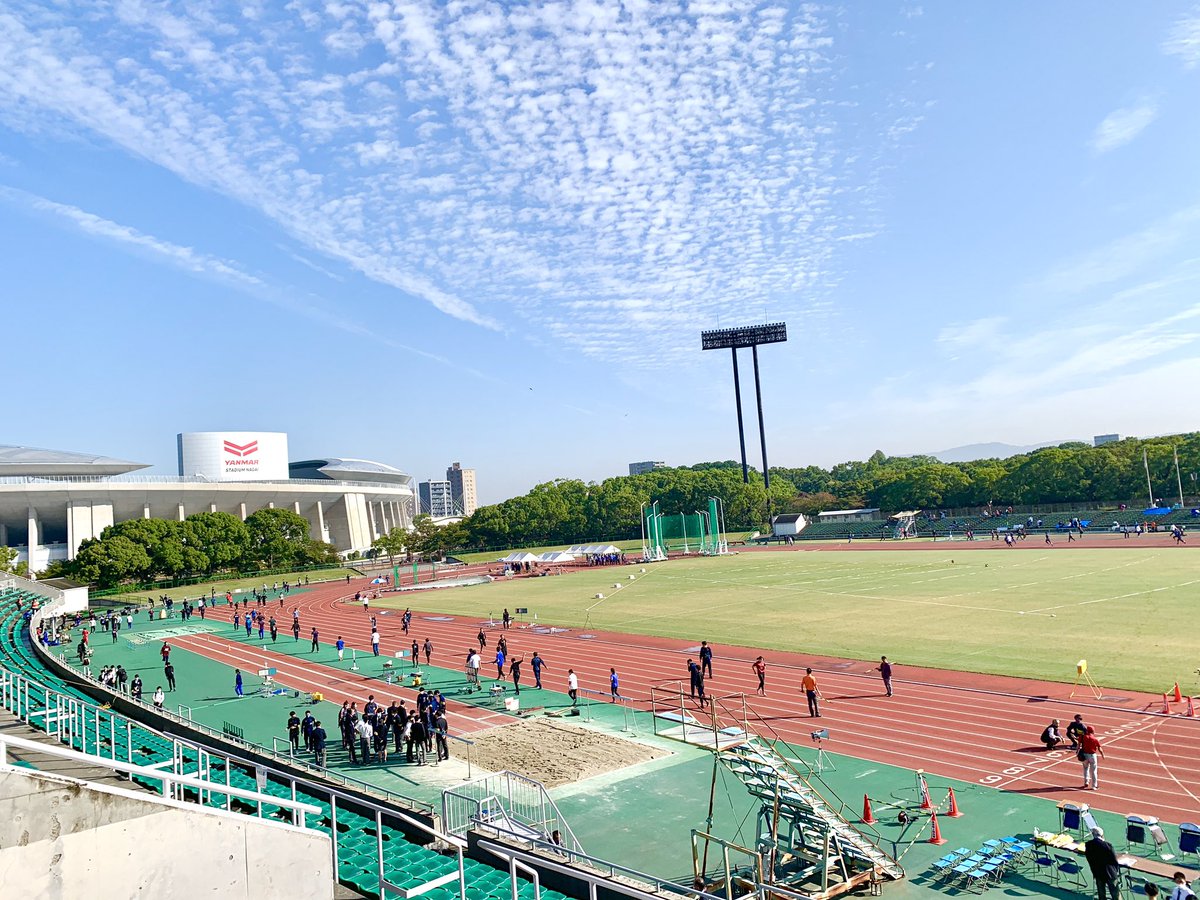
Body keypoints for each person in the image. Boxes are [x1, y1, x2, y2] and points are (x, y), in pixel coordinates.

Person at [1084, 826, 1121, 900]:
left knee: (1101, 895)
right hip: (1110, 873)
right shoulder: (1107, 846)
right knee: (1115, 894)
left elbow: (1089, 858)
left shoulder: (1088, 845)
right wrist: (1115, 871)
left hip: (1098, 873)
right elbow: (1114, 860)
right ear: (1102, 835)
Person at [1080, 725, 1104, 789]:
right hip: (1092, 756)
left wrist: (1077, 751)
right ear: (1093, 731)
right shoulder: (1095, 739)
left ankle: (1086, 782)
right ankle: (1094, 786)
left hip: (1084, 755)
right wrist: (1102, 754)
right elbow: (1099, 748)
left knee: (1085, 768)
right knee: (1093, 771)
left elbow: (1078, 744)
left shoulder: (1083, 737)